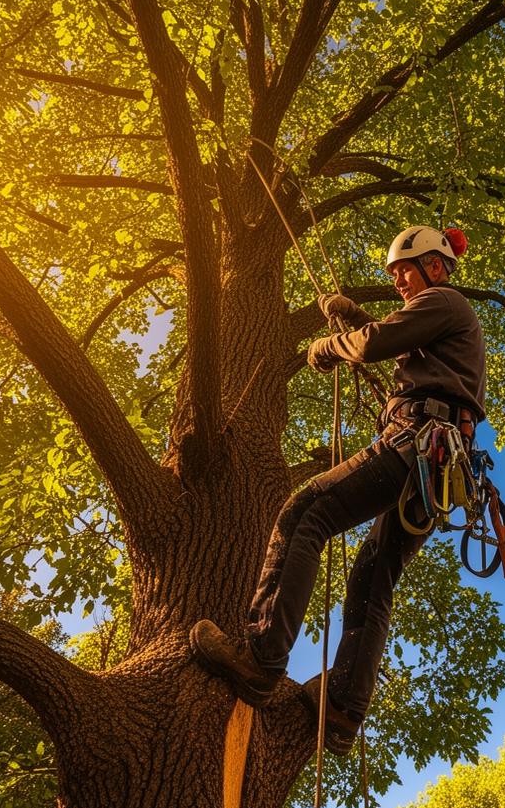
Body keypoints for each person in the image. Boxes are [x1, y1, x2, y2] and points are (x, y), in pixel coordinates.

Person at [190, 224, 486, 752]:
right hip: (435, 470)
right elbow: (398, 341)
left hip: (413, 443)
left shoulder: (444, 300)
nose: (399, 281)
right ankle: (346, 708)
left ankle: (261, 656)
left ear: (436, 266)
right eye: (394, 274)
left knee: (305, 514)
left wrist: (330, 344)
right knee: (372, 579)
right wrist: (354, 318)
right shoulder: (440, 319)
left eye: (405, 270)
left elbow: (378, 343)